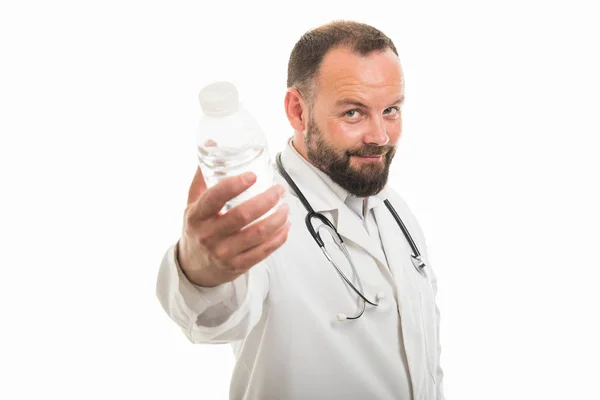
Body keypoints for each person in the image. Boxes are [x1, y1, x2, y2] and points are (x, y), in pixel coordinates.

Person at [156, 20, 445, 400]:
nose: (380, 137)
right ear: (297, 112)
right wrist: (199, 272)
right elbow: (211, 319)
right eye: (354, 113)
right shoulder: (261, 218)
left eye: (390, 110)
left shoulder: (395, 211)